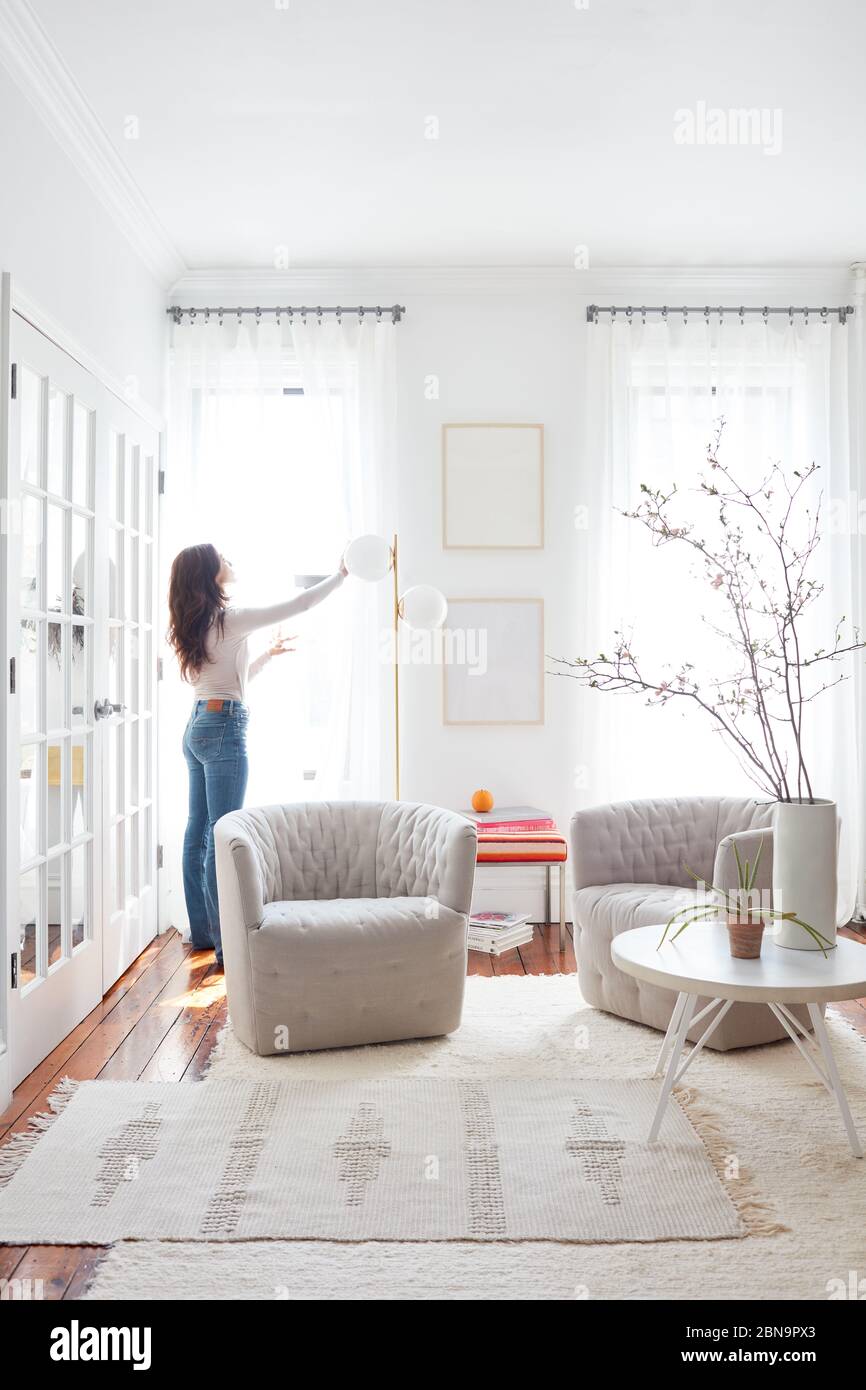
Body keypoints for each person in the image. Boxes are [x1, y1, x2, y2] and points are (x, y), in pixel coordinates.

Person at [167, 543, 346, 965]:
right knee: (221, 832)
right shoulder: (230, 618)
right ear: (210, 574)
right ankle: (229, 948)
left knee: (198, 831)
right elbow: (299, 603)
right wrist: (340, 576)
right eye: (223, 559)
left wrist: (266, 654)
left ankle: (205, 934)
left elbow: (225, 677)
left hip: (197, 725)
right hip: (224, 727)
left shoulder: (193, 623)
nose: (230, 562)